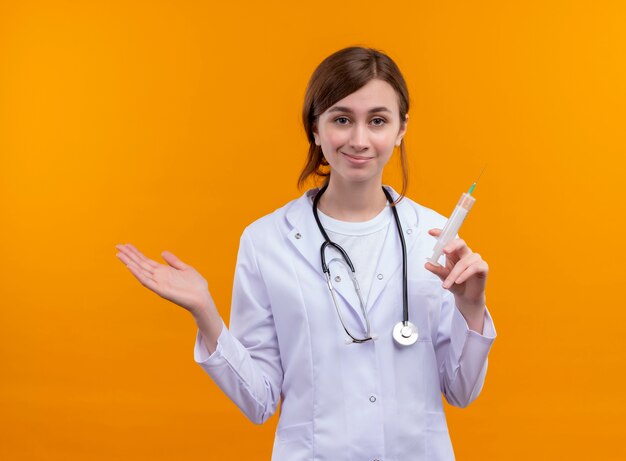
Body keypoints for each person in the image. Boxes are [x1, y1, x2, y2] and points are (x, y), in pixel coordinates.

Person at [115, 46, 497, 461]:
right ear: (315, 128)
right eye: (341, 119)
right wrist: (206, 313)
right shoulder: (266, 241)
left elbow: (461, 392)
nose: (359, 139)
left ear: (401, 128)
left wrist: (471, 307)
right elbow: (259, 401)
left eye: (378, 121)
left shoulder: (435, 236)